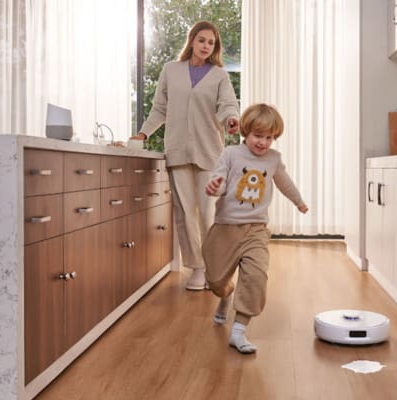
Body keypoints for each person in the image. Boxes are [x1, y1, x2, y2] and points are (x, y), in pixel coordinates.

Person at [130, 21, 240, 290]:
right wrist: (143, 133)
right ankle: (198, 268)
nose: (205, 46)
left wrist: (231, 120)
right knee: (184, 214)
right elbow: (159, 109)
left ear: (214, 47)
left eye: (211, 42)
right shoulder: (171, 70)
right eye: (201, 40)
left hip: (208, 152)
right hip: (177, 151)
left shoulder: (218, 76)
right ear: (192, 41)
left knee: (207, 214)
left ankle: (215, 266)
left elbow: (227, 106)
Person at [202, 103, 308, 354]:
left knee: (256, 276)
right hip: (226, 227)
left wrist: (299, 201)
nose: (263, 142)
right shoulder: (231, 154)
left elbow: (284, 183)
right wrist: (214, 187)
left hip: (256, 229)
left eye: (269, 137)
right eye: (258, 136)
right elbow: (220, 182)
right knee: (215, 279)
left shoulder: (273, 159)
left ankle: (239, 330)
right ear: (246, 133)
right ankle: (226, 295)